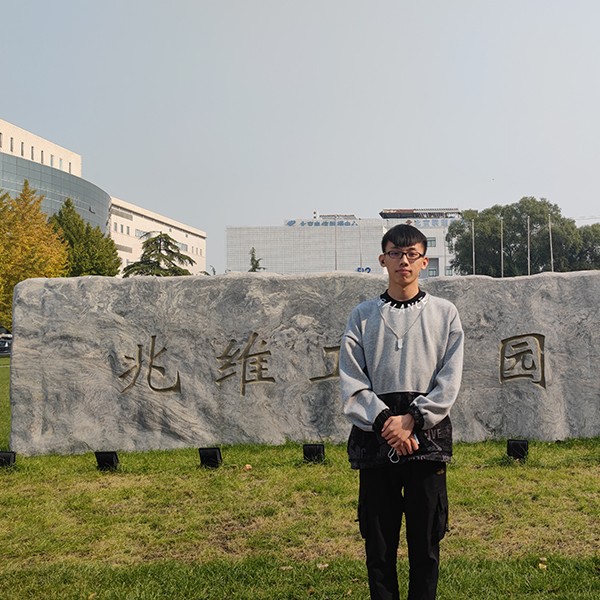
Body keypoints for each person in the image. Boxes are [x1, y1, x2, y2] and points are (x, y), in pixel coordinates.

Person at [339, 223, 464, 600]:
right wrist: (384, 422)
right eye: (395, 253)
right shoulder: (362, 315)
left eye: (412, 255)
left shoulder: (445, 314)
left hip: (427, 443)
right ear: (383, 259)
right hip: (375, 444)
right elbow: (351, 377)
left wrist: (412, 420)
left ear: (425, 261)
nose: (403, 261)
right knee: (379, 549)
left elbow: (449, 379)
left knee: (426, 546)